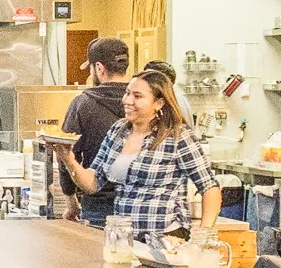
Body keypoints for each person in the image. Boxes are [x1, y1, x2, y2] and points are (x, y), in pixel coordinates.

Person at [59, 64, 221, 240]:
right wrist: (68, 159)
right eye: (127, 93)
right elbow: (92, 183)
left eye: (137, 96)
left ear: (159, 103)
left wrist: (204, 235)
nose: (127, 101)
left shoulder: (177, 136)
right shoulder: (118, 130)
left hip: (165, 238)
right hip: (123, 237)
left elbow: (209, 187)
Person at [62, 38, 133, 221]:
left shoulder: (82, 104)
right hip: (139, 206)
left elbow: (67, 152)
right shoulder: (144, 103)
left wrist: (70, 199)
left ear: (99, 68)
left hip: (98, 202)